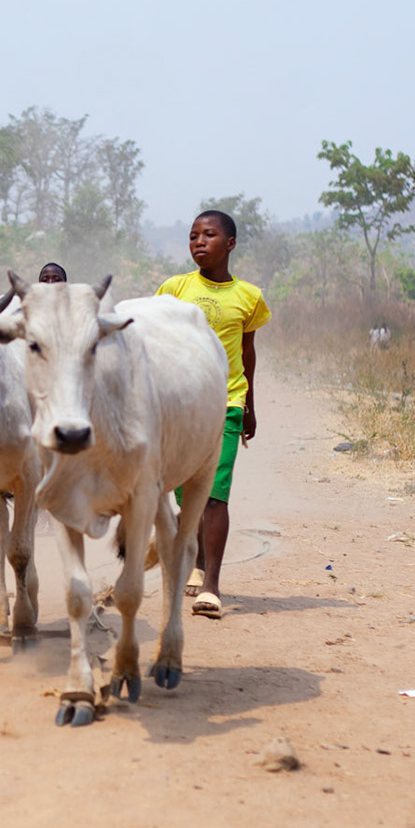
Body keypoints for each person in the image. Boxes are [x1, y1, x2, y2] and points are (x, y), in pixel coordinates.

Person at [156, 209, 268, 618]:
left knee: (215, 495)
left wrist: (250, 405)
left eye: (208, 235)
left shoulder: (249, 296)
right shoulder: (174, 288)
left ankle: (212, 585)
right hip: (182, 404)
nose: (199, 242)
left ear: (230, 243)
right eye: (193, 236)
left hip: (227, 401)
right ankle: (197, 560)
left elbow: (247, 353)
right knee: (188, 494)